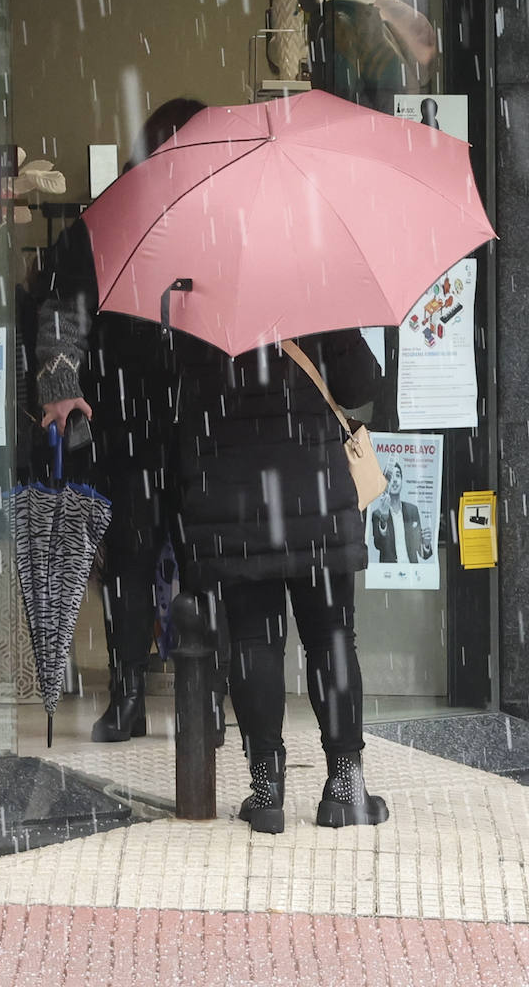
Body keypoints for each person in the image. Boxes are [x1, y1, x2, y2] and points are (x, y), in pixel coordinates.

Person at [33, 97, 208, 742]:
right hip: (164, 422)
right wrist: (60, 385)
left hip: (150, 421)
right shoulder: (116, 224)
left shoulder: (123, 221)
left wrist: (63, 383)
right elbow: (60, 312)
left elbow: (58, 310)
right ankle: (180, 698)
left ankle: (153, 697)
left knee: (147, 563)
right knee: (166, 562)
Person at [170, 328, 388, 834]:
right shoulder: (316, 288)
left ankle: (267, 791)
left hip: (238, 503)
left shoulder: (208, 302)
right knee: (332, 638)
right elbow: (362, 386)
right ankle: (344, 788)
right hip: (317, 499)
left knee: (252, 640)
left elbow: (182, 408)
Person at [370, 460, 432, 563]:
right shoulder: (377, 514)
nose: (394, 480)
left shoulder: (412, 510)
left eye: (398, 476)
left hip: (411, 571)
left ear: (402, 481)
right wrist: (384, 518)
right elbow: (378, 545)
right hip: (389, 573)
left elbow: (423, 554)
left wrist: (426, 544)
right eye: (390, 477)